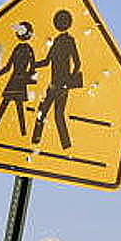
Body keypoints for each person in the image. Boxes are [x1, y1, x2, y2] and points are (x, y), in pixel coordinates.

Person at [32, 10, 81, 149]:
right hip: (53, 85)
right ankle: (39, 142)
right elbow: (47, 61)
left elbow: (77, 63)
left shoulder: (69, 41)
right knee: (46, 112)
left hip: (61, 86)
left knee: (54, 114)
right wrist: (33, 64)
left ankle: (64, 146)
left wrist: (69, 81)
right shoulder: (56, 41)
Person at [0, 21, 36, 136]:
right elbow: (32, 68)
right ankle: (22, 133)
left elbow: (8, 66)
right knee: (16, 107)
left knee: (9, 106)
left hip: (14, 80)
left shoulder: (19, 49)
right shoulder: (28, 50)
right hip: (19, 81)